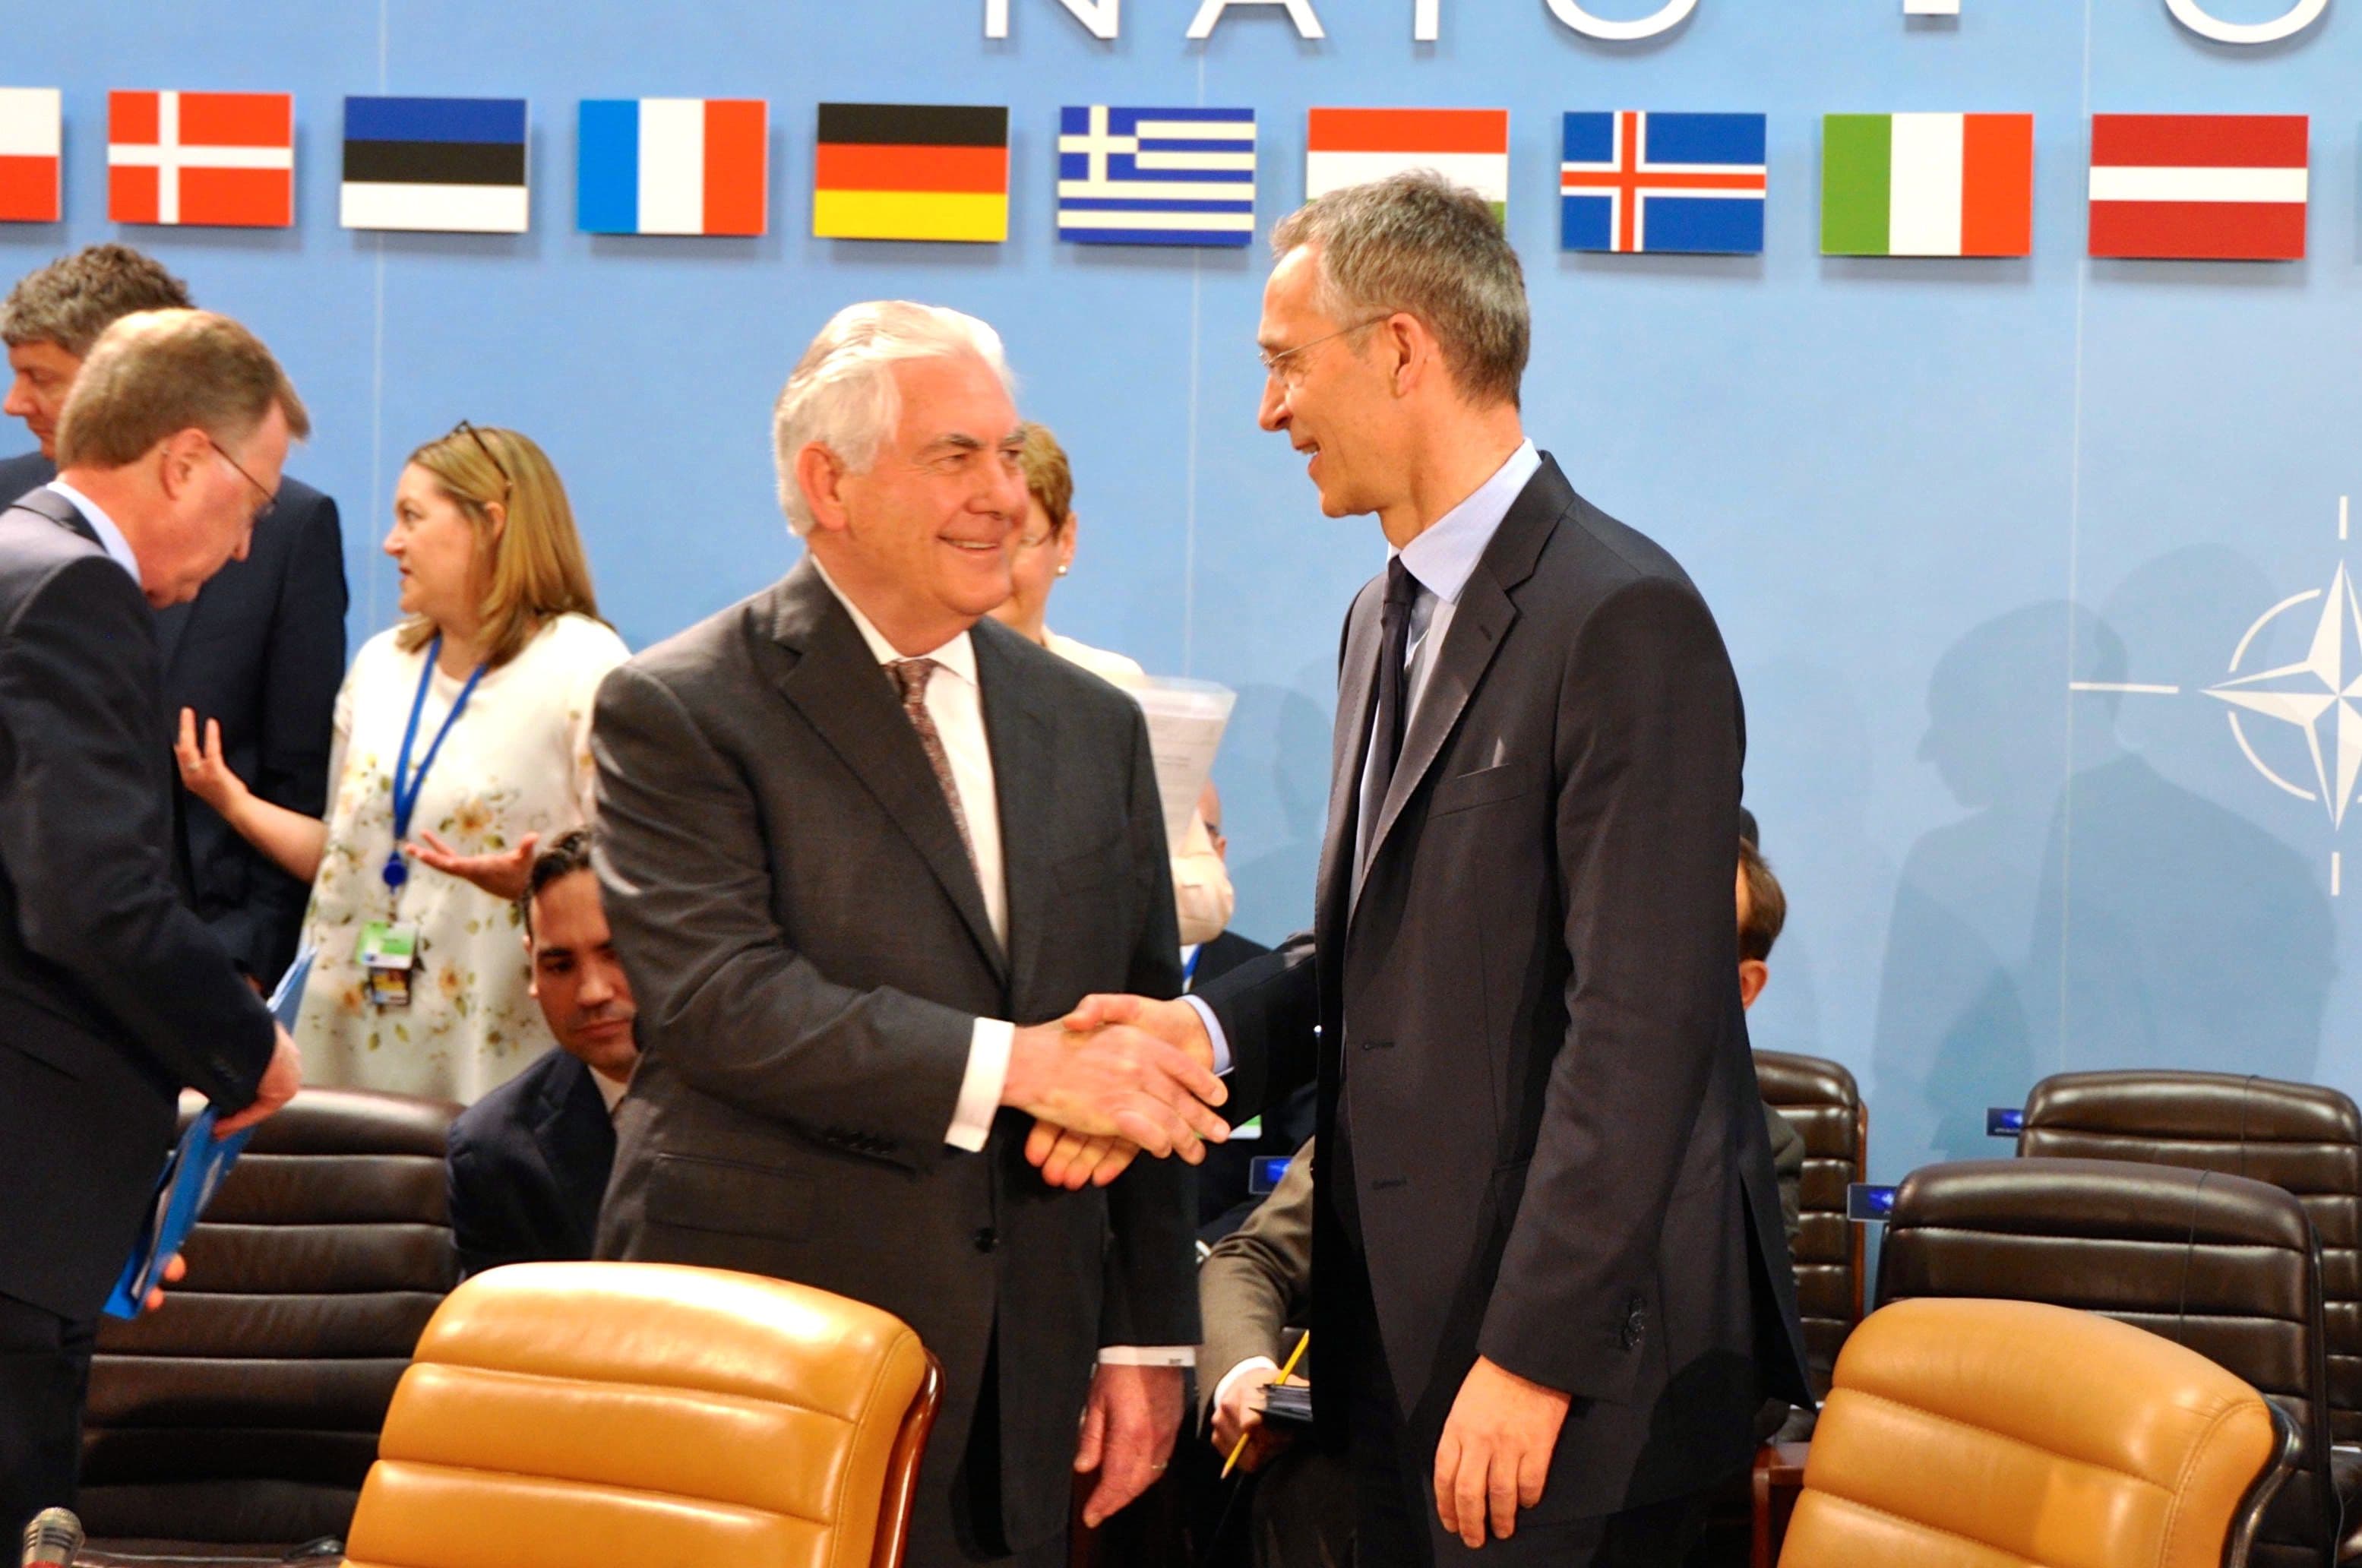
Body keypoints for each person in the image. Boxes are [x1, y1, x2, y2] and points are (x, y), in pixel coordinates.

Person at [1051, 174, 1811, 1564]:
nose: (1268, 411)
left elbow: (1638, 1024)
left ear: (1400, 348)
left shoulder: (1622, 614)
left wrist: (1532, 1356)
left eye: (1285, 364)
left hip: (1558, 1377)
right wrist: (1207, 1025)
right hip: (1390, 1348)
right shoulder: (1376, 613)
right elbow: (1391, 948)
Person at [590, 300, 1230, 1568]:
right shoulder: (679, 704)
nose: (1003, 492)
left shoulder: (1091, 725)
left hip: (1022, 1375)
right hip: (759, 1345)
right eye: (957, 455)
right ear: (827, 481)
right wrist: (1020, 1064)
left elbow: (1136, 1031)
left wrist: (1142, 1339)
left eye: (1009, 451)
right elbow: (722, 999)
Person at [0, 308, 305, 1540]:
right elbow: (90, 894)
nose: (244, 550)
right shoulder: (76, 585)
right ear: (184, 459)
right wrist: (241, 1043)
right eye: (254, 500)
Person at [175, 424, 626, 1103]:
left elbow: (635, 870)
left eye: (412, 517)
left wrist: (535, 882)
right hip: (349, 1033)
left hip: (492, 1049)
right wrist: (231, 800)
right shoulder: (383, 665)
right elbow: (348, 854)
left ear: (491, 525)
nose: (391, 542)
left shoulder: (582, 665)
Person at [0, 244, 347, 989]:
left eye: (41, 377)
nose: (15, 402)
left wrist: (250, 962)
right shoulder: (14, 519)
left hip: (206, 958)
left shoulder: (288, 527)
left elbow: (298, 773)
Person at [988, 421, 1235, 945]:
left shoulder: (1113, 687)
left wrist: (1073, 882)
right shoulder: (912, 683)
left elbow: (1209, 896)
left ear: (1066, 542)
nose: (998, 567)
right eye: (983, 537)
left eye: (1024, 540)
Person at [446, 829, 638, 1277]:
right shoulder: (492, 1149)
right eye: (560, 966)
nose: (592, 992)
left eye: (617, 954)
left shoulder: (773, 1103)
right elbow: (498, 1341)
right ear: (532, 967)